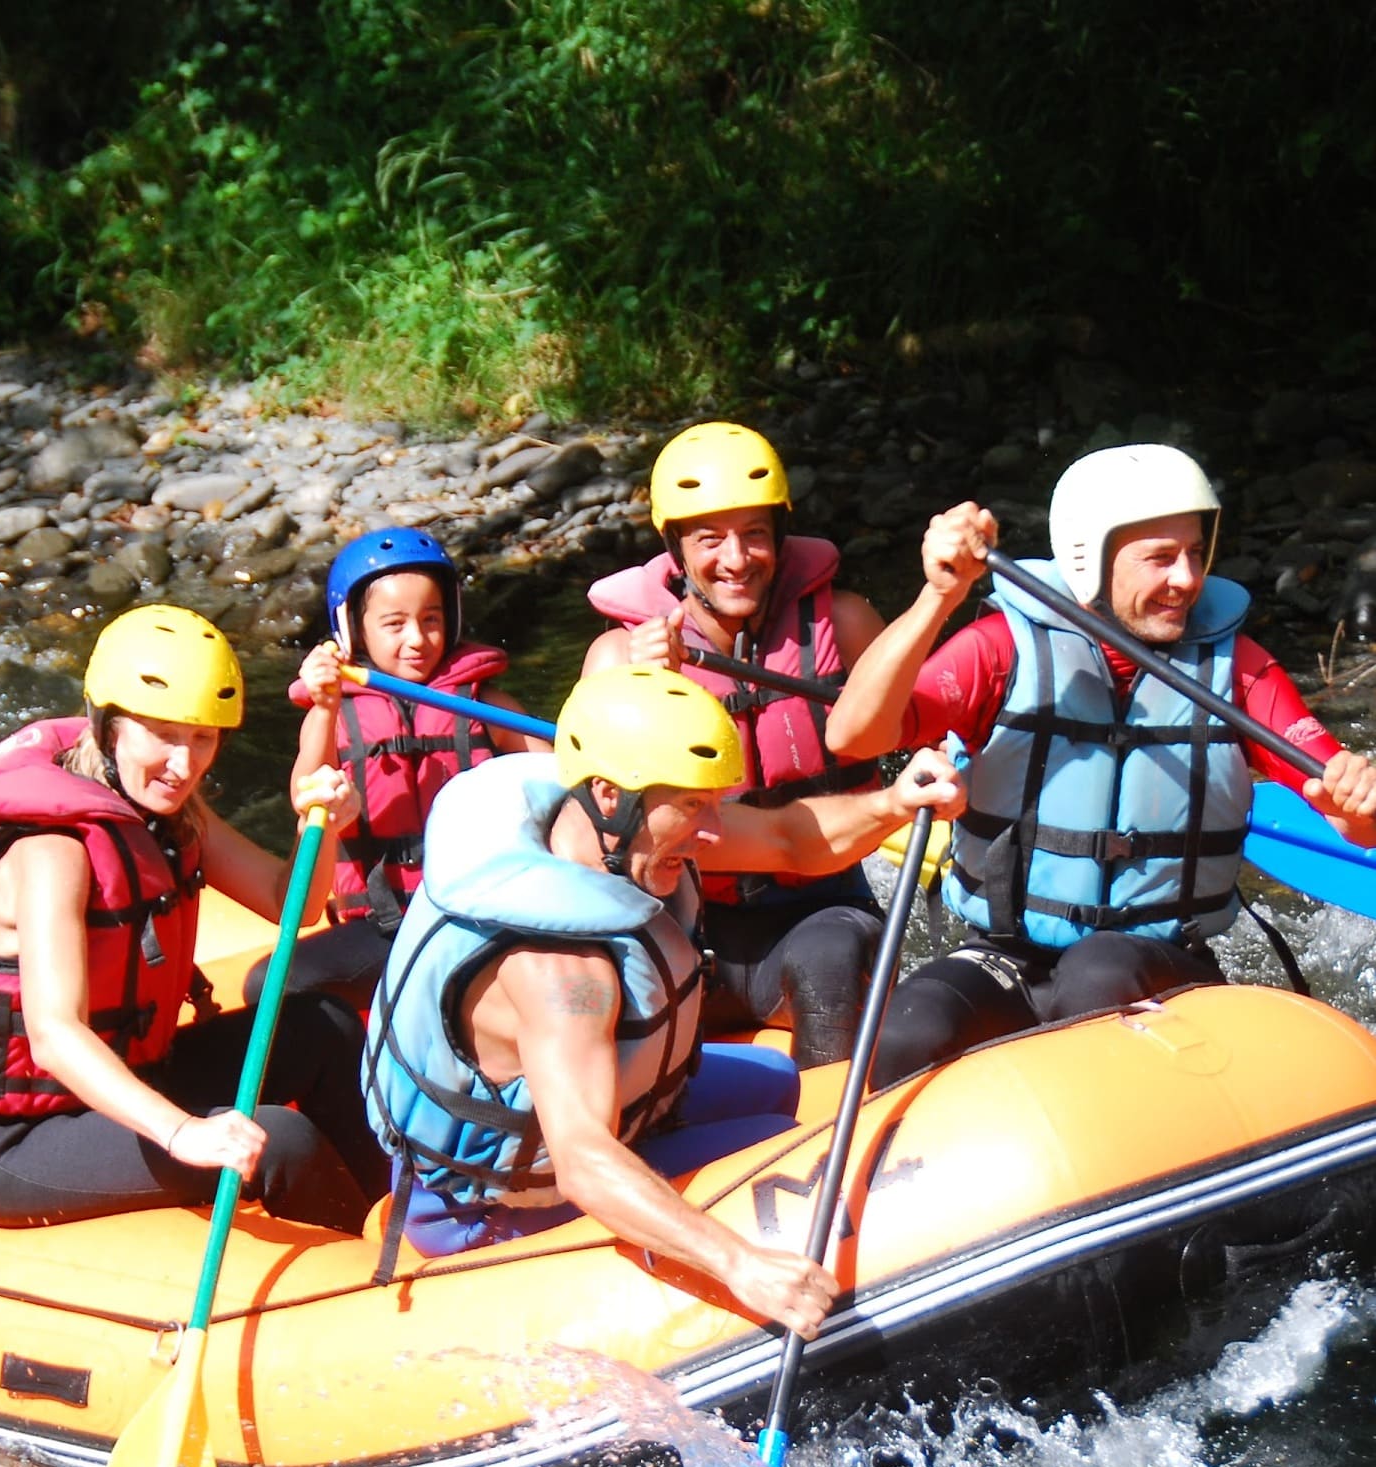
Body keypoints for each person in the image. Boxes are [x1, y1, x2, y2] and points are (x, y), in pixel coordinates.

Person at [363, 664, 962, 1334]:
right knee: (779, 1146)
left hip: (601, 1110)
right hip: (490, 1203)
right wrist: (740, 1263)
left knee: (774, 1080)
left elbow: (787, 837)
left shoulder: (622, 828)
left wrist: (890, 804)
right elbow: (584, 1162)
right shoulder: (559, 971)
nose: (713, 830)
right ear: (606, 793)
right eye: (692, 805)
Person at [820, 443, 1376, 1089]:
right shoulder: (1000, 650)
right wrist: (938, 597)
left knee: (1097, 969)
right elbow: (852, 735)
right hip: (1007, 953)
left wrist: (1355, 801)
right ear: (1091, 560)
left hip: (1160, 961)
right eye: (1160, 558)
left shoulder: (1239, 668)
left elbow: (1348, 818)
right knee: (906, 1028)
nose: (1187, 578)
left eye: (1195, 552)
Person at [0, 603, 392, 1234]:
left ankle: (397, 1218)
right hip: (17, 1139)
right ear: (109, 728)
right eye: (163, 734)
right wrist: (182, 1131)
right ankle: (367, 1279)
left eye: (202, 738)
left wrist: (321, 825)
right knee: (280, 1138)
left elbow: (283, 898)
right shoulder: (51, 851)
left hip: (135, 1073)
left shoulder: (174, 814)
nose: (184, 765)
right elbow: (55, 1037)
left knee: (321, 1027)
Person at [582, 421, 926, 1066]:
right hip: (678, 923)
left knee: (828, 959)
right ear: (675, 549)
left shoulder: (845, 623)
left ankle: (836, 1144)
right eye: (710, 539)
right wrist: (644, 690)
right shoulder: (616, 658)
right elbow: (600, 833)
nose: (736, 560)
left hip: (820, 909)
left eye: (755, 535)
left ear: (780, 536)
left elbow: (926, 733)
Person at [268, 527, 549, 1006]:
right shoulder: (336, 718)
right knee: (273, 983)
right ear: (354, 629)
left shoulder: (485, 705)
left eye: (432, 619)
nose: (417, 639)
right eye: (394, 624)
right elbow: (305, 790)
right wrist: (323, 705)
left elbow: (562, 771)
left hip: (478, 913)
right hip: (383, 924)